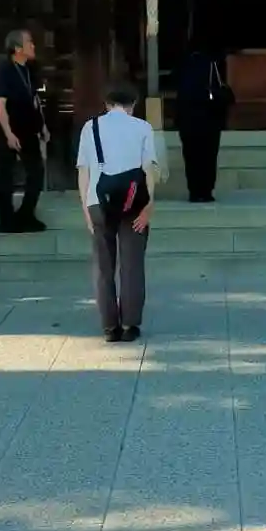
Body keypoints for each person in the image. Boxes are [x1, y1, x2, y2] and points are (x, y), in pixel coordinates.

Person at [76, 80, 157, 342]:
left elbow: (84, 172)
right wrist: (149, 206)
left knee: (103, 266)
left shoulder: (90, 127)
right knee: (132, 265)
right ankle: (131, 324)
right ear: (133, 104)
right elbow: (148, 170)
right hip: (134, 202)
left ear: (107, 104)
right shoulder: (143, 127)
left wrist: (86, 209)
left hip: (99, 201)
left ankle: (110, 326)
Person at [0, 27, 48, 233]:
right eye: (29, 42)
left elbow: (35, 99)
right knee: (5, 174)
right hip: (6, 128)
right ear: (17, 48)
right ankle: (6, 220)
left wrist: (42, 125)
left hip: (28, 127)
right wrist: (8, 134)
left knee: (36, 172)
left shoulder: (30, 69)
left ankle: (26, 214)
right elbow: (0, 105)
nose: (33, 46)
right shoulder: (4, 69)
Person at [175, 46, 233, 202]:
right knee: (208, 156)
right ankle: (206, 190)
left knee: (191, 157)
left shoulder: (185, 68)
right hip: (209, 120)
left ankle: (194, 191)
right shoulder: (213, 66)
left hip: (189, 121)